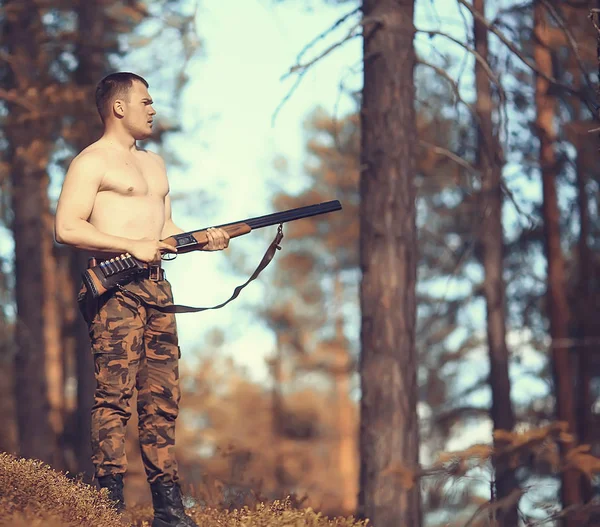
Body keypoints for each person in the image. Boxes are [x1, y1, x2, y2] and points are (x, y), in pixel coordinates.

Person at [54, 72, 229, 527]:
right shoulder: (91, 162)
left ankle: (169, 512)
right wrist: (129, 245)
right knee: (114, 398)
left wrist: (204, 239)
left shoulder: (154, 165)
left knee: (162, 399)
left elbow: (164, 232)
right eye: (145, 101)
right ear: (118, 107)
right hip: (114, 290)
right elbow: (67, 227)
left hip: (157, 289)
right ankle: (105, 509)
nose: (152, 108)